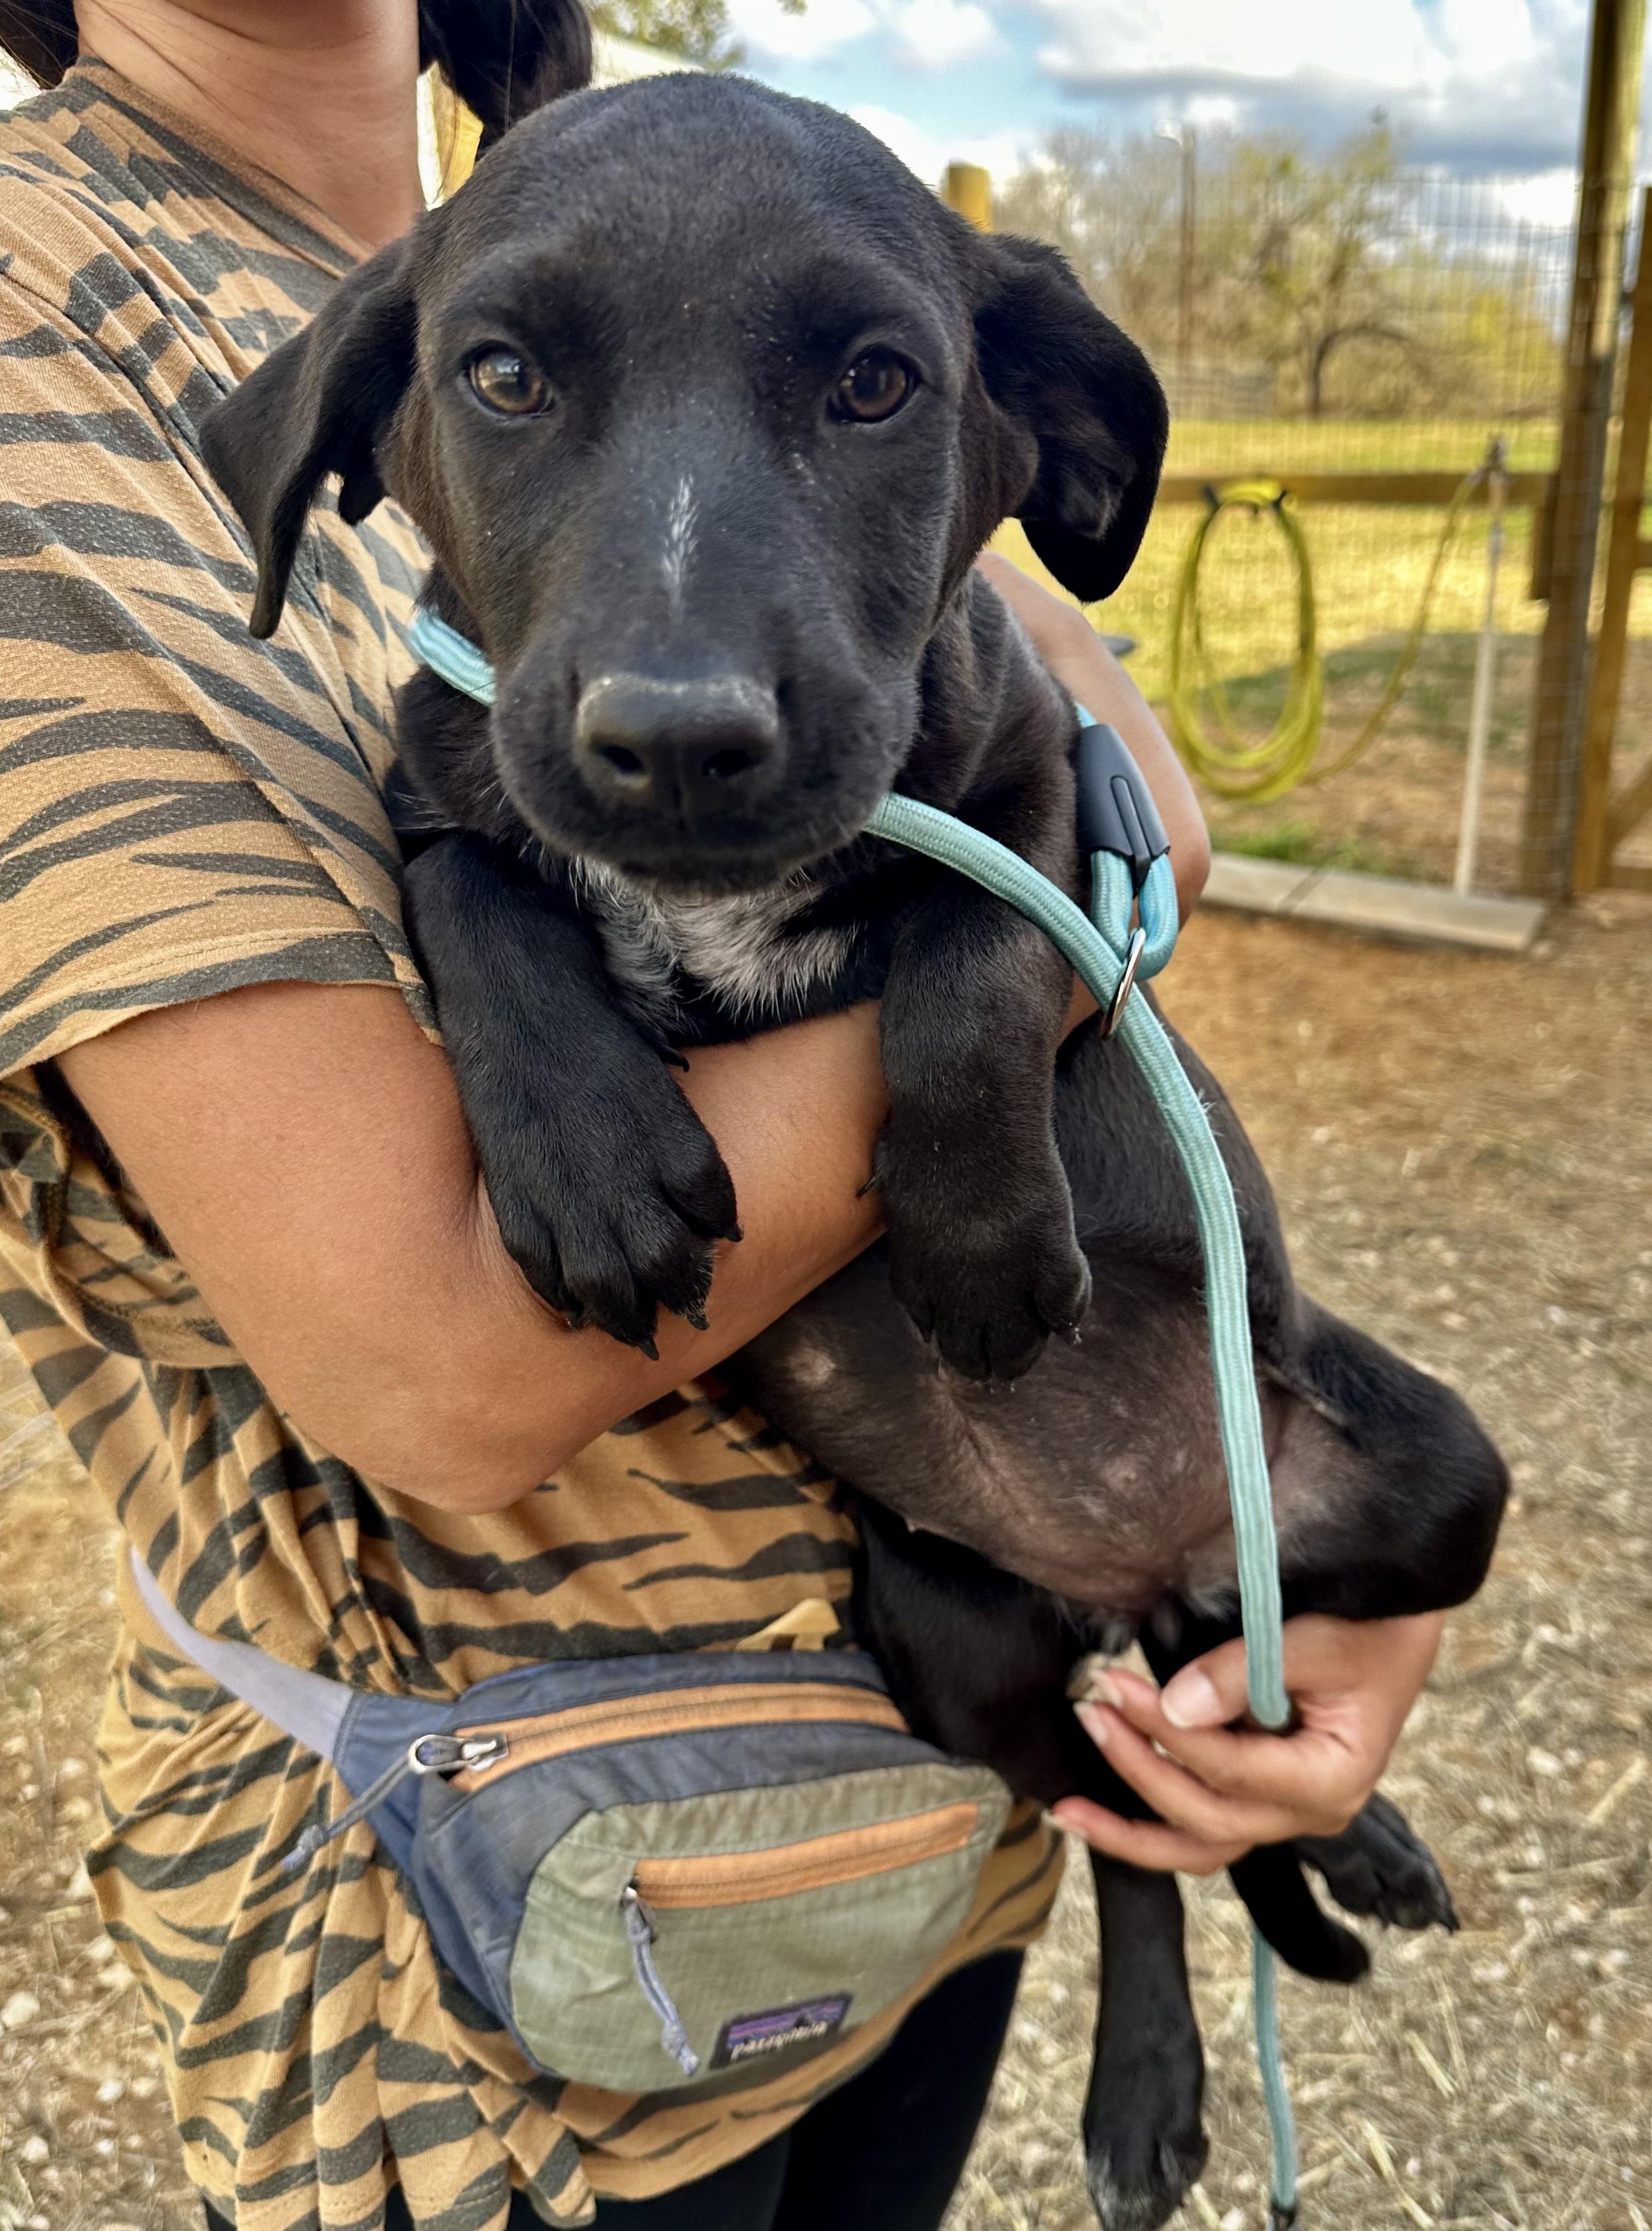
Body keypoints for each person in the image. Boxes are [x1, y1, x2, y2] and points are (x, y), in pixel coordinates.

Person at [0, 5, 1446, 2226]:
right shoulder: (47, 330)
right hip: (494, 1962)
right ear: (374, 428)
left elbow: (1128, 790)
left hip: (940, 1809)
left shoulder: (665, 199)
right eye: (515, 382)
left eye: (864, 386)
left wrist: (1289, 1541)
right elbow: (454, 1366)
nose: (682, 677)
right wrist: (1020, 972)